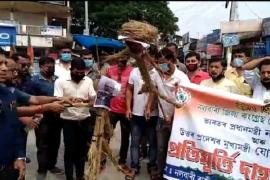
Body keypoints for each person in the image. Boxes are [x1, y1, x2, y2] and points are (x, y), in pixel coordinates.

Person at [145, 47, 190, 179]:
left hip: (177, 120)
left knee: (175, 149)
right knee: (160, 148)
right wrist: (149, 107)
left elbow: (185, 101)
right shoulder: (157, 74)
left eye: (164, 62)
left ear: (173, 60)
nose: (161, 65)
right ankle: (160, 172)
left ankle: (173, 174)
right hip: (161, 118)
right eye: (159, 62)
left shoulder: (182, 78)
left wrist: (173, 115)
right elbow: (154, 91)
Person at [54, 58, 96, 180]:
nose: (80, 74)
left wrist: (87, 102)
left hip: (84, 120)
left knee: (82, 151)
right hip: (68, 121)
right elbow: (56, 100)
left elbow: (92, 98)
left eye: (82, 72)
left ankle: (80, 176)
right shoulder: (60, 81)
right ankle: (69, 177)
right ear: (71, 69)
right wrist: (68, 100)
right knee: (70, 151)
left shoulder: (88, 81)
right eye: (77, 72)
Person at [29, 56, 65, 179]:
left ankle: (52, 165)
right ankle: (42, 169)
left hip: (57, 117)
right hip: (42, 117)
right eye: (48, 66)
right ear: (41, 66)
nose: (51, 68)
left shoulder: (58, 80)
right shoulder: (34, 81)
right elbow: (31, 100)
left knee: (55, 143)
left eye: (53, 65)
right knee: (42, 144)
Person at [126, 52, 158, 175]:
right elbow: (129, 89)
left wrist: (149, 108)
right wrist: (128, 108)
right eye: (144, 59)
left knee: (152, 142)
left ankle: (152, 166)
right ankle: (134, 166)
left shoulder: (156, 73)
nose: (147, 62)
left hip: (152, 115)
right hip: (136, 114)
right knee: (135, 141)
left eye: (150, 59)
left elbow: (155, 92)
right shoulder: (134, 72)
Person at [106, 53, 134, 171]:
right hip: (111, 109)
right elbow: (105, 87)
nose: (121, 63)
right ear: (116, 59)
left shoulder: (132, 71)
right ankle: (102, 158)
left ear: (127, 60)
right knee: (106, 134)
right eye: (120, 60)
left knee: (125, 136)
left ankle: (122, 160)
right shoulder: (110, 70)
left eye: (124, 60)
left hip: (126, 110)